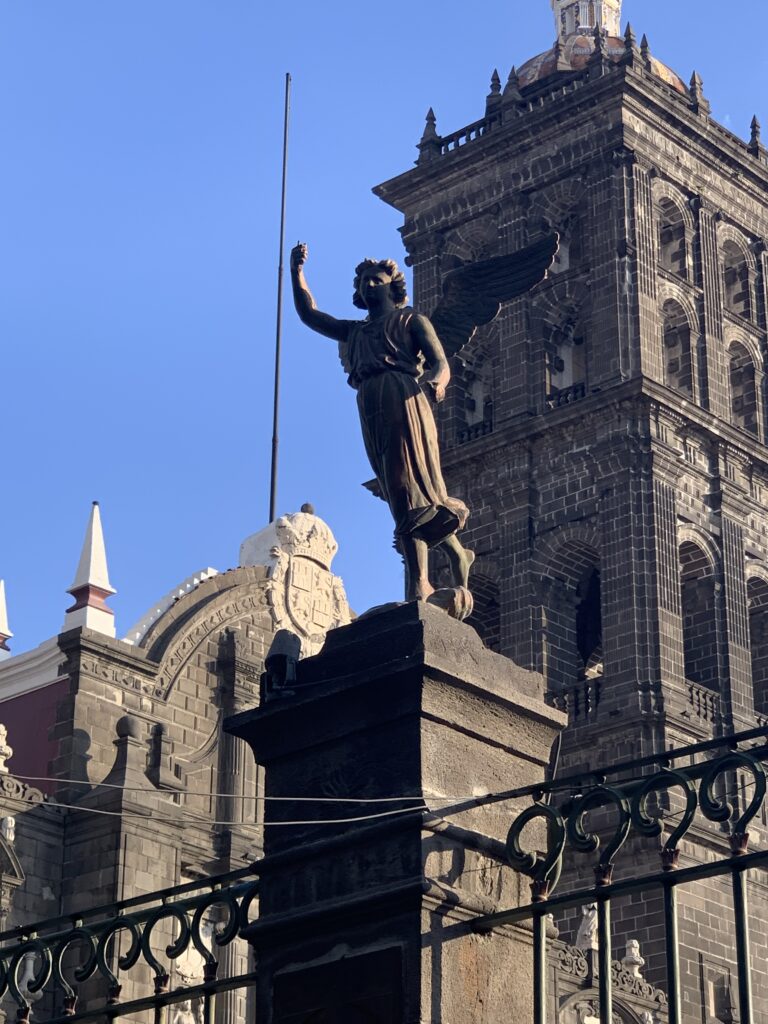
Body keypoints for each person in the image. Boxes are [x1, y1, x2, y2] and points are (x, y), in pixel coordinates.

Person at [290, 242, 474, 609]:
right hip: (371, 404)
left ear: (393, 288)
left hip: (403, 398)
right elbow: (310, 314)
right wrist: (297, 273)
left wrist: (437, 383)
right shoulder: (355, 332)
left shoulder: (411, 321)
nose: (369, 285)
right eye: (363, 282)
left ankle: (420, 583)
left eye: (376, 280)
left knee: (406, 487)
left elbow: (440, 362)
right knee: (396, 490)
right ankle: (455, 551)